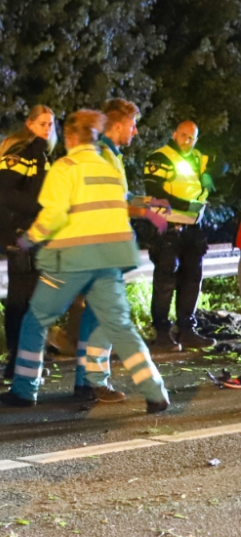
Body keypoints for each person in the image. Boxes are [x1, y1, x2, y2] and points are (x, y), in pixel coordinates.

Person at [0, 109, 170, 413]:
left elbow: (52, 216)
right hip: (109, 261)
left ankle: (24, 390)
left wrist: (25, 241)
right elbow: (121, 209)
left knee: (36, 320)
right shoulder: (108, 168)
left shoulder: (64, 167)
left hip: (72, 260)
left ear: (69, 137)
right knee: (121, 327)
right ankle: (155, 391)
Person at [73, 99, 168, 403]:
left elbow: (121, 198)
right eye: (131, 125)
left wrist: (152, 205)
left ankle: (87, 381)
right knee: (103, 316)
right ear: (116, 126)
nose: (135, 131)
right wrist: (152, 211)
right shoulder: (102, 156)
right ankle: (91, 381)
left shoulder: (110, 155)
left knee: (98, 315)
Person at [0, 105, 56, 379]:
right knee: (22, 302)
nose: (48, 128)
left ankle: (26, 359)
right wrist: (40, 208)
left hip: (36, 235)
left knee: (31, 301)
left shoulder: (43, 154)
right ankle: (19, 361)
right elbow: (4, 193)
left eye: (51, 124)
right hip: (22, 236)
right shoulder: (21, 152)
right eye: (42, 123)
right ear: (29, 125)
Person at [143, 121, 215, 350]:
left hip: (193, 227)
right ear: (174, 134)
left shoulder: (196, 158)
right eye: (183, 135)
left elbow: (208, 176)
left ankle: (187, 330)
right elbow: (155, 191)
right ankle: (162, 333)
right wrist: (187, 206)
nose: (187, 141)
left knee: (192, 278)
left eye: (192, 137)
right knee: (165, 280)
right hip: (168, 227)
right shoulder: (160, 158)